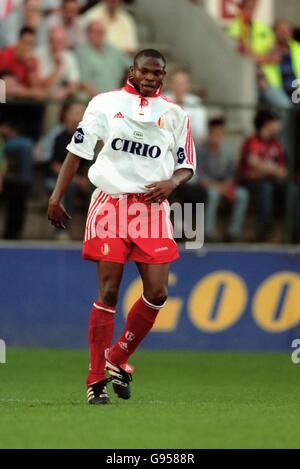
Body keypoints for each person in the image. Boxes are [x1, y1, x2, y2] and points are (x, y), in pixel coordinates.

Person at [47, 49, 196, 404]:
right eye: (145, 72)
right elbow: (77, 151)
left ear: (163, 76)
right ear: (133, 71)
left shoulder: (175, 114)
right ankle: (95, 379)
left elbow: (186, 163)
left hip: (152, 210)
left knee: (158, 292)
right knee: (110, 291)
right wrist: (56, 196)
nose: (150, 78)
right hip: (111, 203)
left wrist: (172, 183)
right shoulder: (103, 103)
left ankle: (118, 356)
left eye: (157, 74)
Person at [196, 118, 249, 242]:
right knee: (213, 194)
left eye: (219, 133)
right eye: (214, 133)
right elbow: (198, 175)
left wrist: (225, 186)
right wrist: (215, 186)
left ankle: (233, 233)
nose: (216, 136)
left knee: (242, 195)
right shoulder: (199, 150)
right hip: (206, 186)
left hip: (224, 186)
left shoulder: (228, 151)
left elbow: (231, 174)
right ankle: (208, 232)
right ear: (209, 133)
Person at [238, 110, 287, 241]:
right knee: (265, 188)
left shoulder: (275, 143)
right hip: (249, 182)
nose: (279, 126)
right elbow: (252, 162)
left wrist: (264, 169)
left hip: (270, 181)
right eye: (276, 122)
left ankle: (294, 231)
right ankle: (264, 230)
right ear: (267, 123)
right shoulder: (252, 140)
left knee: (292, 190)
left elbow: (282, 171)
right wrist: (272, 170)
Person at [76, 20, 131, 96]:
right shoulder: (81, 52)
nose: (100, 34)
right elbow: (83, 83)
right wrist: (101, 99)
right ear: (88, 34)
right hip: (90, 101)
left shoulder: (112, 49)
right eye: (97, 31)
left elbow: (132, 68)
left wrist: (126, 90)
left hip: (113, 98)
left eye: (102, 32)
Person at [0, 118, 33, 239]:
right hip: (24, 181)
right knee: (19, 209)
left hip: (12, 181)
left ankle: (10, 233)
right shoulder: (28, 143)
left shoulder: (10, 143)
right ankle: (16, 233)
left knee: (12, 209)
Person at [165, 68, 208, 144]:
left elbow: (201, 132)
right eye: (175, 83)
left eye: (182, 84)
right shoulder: (163, 100)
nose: (178, 87)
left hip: (190, 144)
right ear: (170, 84)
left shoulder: (196, 102)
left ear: (188, 85)